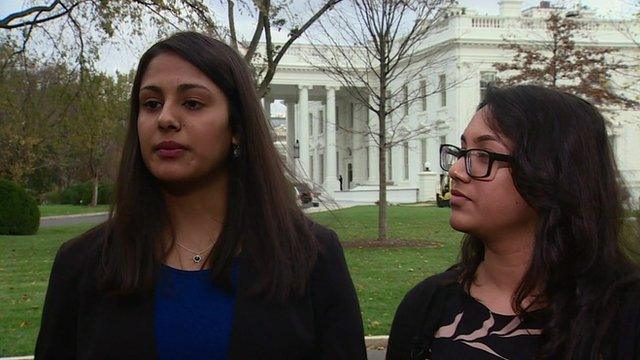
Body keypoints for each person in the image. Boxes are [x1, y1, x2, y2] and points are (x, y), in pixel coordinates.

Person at [35, 32, 366, 360]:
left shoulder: (310, 258)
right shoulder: (81, 264)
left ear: (237, 127)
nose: (165, 118)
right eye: (151, 103)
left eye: (192, 103)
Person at [386, 85, 640, 359]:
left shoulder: (625, 315)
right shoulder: (426, 305)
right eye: (462, 152)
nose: (457, 171)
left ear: (550, 172)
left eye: (484, 155)